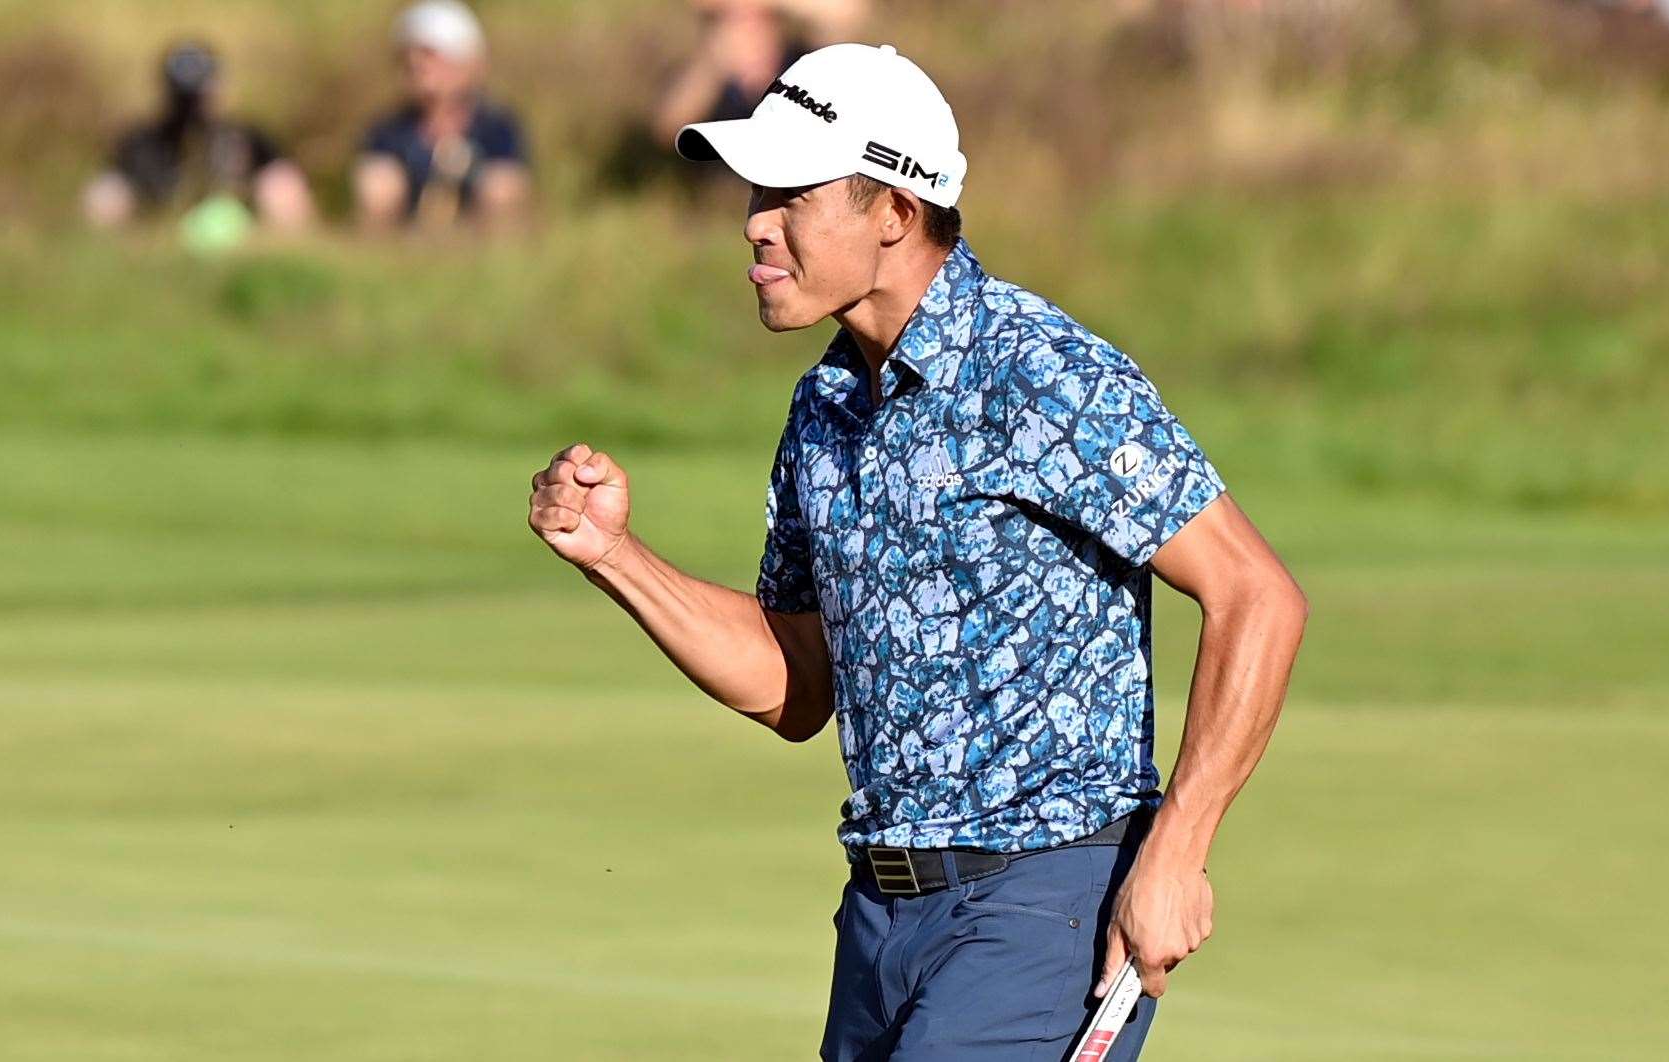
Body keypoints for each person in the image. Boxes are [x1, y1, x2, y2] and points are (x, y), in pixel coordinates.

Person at [529, 43, 1307, 1061]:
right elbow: (798, 684)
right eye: (757, 192)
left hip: (1044, 911)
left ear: (892, 211)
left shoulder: (1040, 372)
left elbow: (1257, 594)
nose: (756, 222)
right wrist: (615, 557)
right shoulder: (826, 405)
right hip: (880, 924)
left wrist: (1180, 848)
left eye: (792, 193)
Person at [82, 41, 314, 231]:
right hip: (161, 234)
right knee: (105, 194)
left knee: (281, 184)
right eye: (184, 99)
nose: (191, 110)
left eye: (197, 97)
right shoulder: (142, 142)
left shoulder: (246, 138)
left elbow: (285, 187)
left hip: (240, 234)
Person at [355, 1, 531, 230]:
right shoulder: (389, 129)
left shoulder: (496, 126)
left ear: (467, 62)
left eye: (431, 55)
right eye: (410, 56)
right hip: (407, 236)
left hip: (478, 241)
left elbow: (509, 180)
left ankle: (502, 260)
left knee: (502, 188)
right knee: (377, 183)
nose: (418, 64)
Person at [651, 0, 864, 149]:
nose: (746, 35)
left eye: (755, 22)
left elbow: (846, 13)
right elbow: (668, 130)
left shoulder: (803, 66)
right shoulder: (712, 81)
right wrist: (713, 64)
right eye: (734, 24)